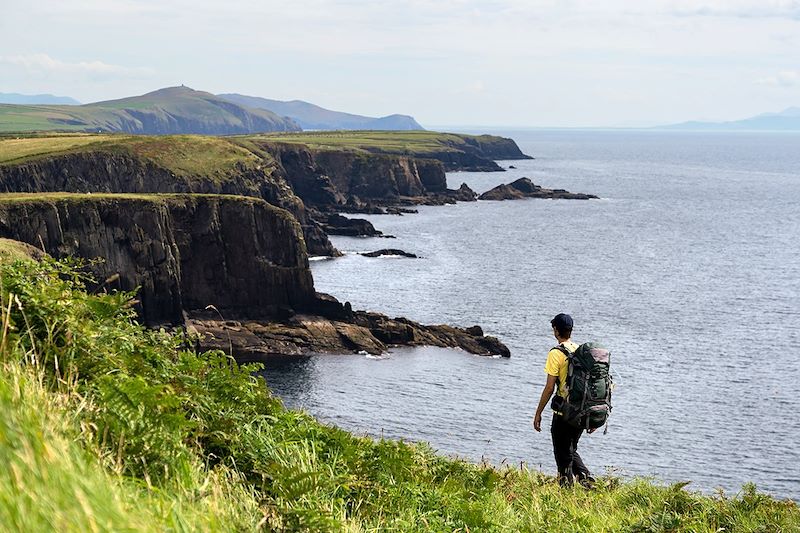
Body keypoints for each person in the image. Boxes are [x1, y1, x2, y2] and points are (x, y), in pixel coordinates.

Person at [532, 313, 596, 487]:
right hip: (582, 410)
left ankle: (566, 490)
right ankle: (585, 478)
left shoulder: (556, 353)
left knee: (562, 453)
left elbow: (549, 387)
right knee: (570, 448)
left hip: (564, 411)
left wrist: (538, 413)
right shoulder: (581, 350)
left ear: (555, 330)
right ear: (571, 330)